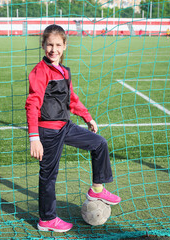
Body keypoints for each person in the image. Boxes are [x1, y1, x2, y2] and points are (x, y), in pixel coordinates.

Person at [25, 24, 121, 233]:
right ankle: (47, 219)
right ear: (43, 45)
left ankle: (97, 189)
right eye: (49, 44)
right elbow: (32, 104)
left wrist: (87, 117)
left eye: (58, 44)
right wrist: (34, 137)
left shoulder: (64, 71)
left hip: (65, 126)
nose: (54, 49)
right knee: (49, 176)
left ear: (65, 46)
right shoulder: (40, 72)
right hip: (48, 131)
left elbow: (72, 100)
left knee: (99, 143)